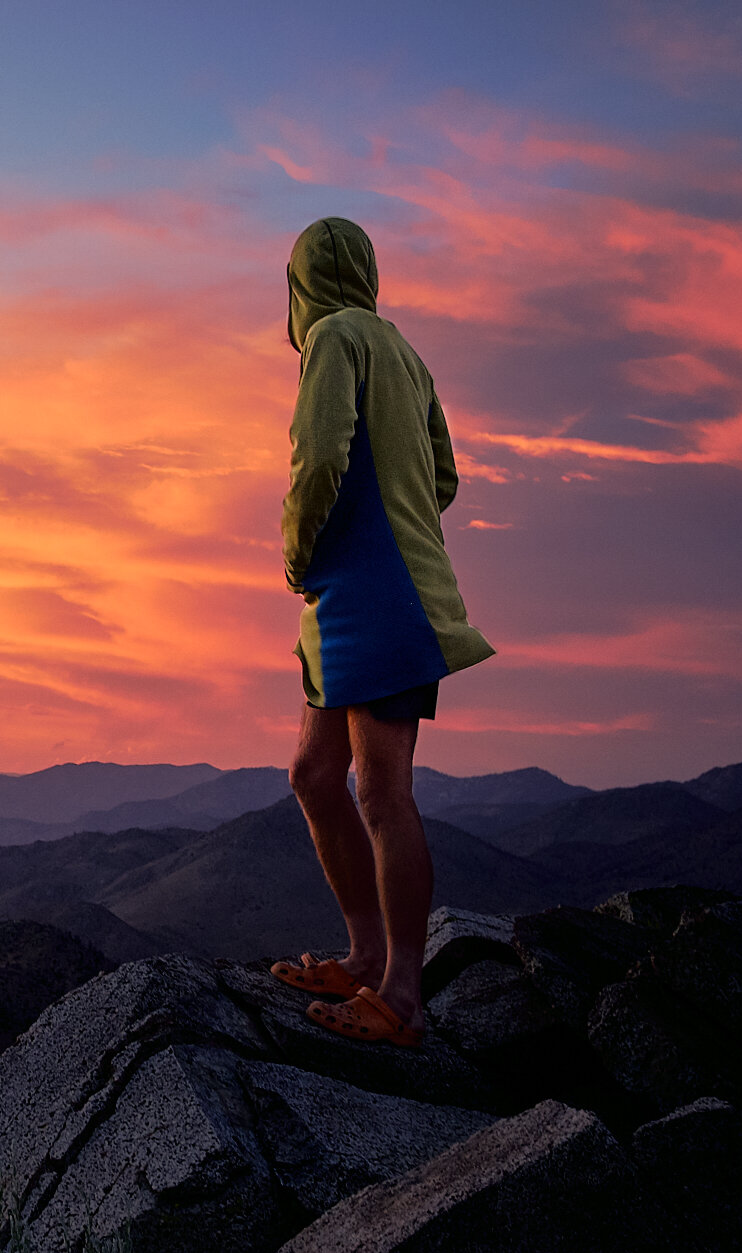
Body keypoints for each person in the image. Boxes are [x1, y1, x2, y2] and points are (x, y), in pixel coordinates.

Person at [270, 217, 494, 1048]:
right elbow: (445, 476)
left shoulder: (332, 338)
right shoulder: (404, 351)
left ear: (297, 289)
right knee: (314, 774)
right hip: (353, 604)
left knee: (381, 791)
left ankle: (401, 992)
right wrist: (397, 522)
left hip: (373, 598)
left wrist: (300, 549)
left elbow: (320, 456)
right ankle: (366, 953)